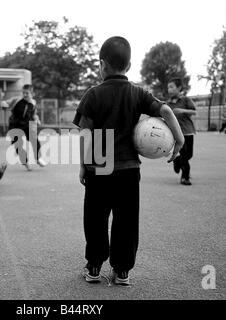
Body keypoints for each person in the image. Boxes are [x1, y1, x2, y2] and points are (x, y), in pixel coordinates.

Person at [73, 36, 184, 286]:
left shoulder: (93, 95)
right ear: (129, 66)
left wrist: (82, 165)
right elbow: (166, 111)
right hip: (129, 171)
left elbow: (84, 134)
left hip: (98, 169)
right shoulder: (137, 93)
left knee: (95, 219)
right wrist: (179, 140)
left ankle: (93, 267)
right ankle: (122, 271)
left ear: (102, 64)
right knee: (126, 221)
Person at [3, 84, 46, 171]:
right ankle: (26, 163)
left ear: (32, 93)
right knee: (18, 145)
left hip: (27, 124)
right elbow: (5, 103)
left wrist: (37, 119)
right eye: (23, 93)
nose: (25, 95)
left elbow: (34, 114)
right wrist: (3, 104)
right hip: (14, 125)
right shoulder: (16, 100)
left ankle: (37, 158)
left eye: (27, 93)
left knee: (35, 141)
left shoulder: (33, 103)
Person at [167, 78, 197, 186]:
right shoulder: (167, 103)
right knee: (184, 154)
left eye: (172, 87)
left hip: (188, 131)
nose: (169, 90)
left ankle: (177, 160)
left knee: (189, 155)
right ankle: (185, 177)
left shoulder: (185, 100)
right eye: (168, 87)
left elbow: (194, 111)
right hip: (177, 133)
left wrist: (182, 111)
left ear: (179, 88)